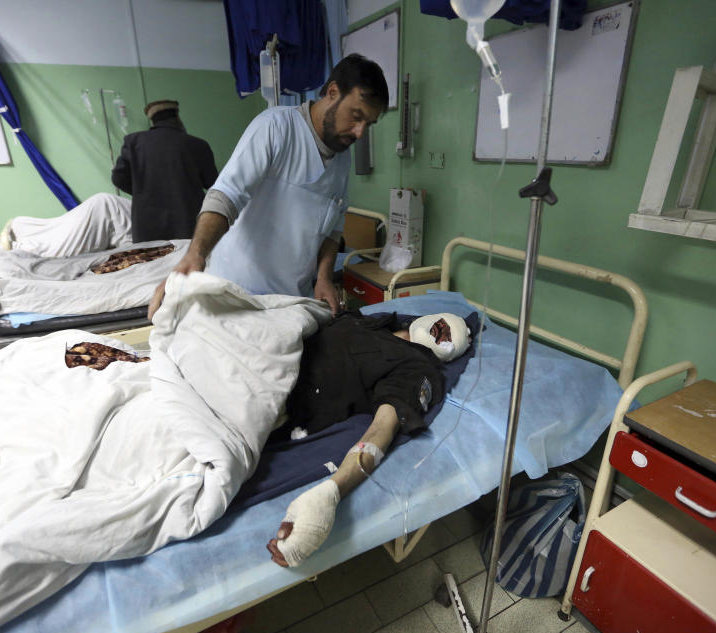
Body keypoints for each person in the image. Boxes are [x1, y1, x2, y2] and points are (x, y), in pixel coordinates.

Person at [147, 54, 389, 319]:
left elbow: (333, 228)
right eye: (356, 116)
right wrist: (195, 255)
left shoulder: (342, 159)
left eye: (369, 124)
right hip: (237, 295)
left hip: (292, 303)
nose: (360, 132)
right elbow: (226, 195)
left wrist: (323, 278)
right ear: (332, 92)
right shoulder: (276, 127)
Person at [266, 311, 472, 568]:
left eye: (446, 335)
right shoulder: (371, 321)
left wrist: (328, 495)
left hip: (274, 393)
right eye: (443, 326)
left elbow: (383, 427)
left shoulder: (416, 366)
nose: (441, 332)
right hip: (267, 344)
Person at [111, 99, 218, 243]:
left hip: (147, 228)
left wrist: (143, 191)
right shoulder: (198, 145)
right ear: (177, 117)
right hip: (188, 225)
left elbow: (118, 178)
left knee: (152, 263)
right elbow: (213, 184)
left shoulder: (133, 142)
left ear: (153, 120)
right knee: (190, 264)